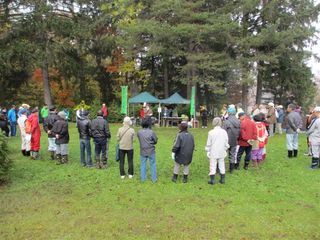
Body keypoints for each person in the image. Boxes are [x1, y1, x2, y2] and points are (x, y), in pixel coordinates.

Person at [206, 117, 229, 185]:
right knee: (222, 164)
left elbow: (209, 143)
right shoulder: (224, 132)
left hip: (213, 151)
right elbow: (226, 142)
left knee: (212, 165)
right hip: (221, 150)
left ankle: (212, 180)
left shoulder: (211, 132)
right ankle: (222, 179)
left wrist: (208, 150)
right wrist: (225, 149)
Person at [137, 118, 158, 182]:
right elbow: (155, 140)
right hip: (151, 150)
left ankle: (143, 178)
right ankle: (154, 179)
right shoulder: (151, 132)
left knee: (143, 164)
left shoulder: (139, 132)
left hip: (143, 150)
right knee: (153, 164)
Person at [222, 106, 240, 173]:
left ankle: (220, 168)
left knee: (223, 154)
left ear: (229, 113)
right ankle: (231, 170)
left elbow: (223, 131)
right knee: (232, 154)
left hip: (226, 141)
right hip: (235, 139)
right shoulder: (238, 121)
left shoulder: (226, 121)